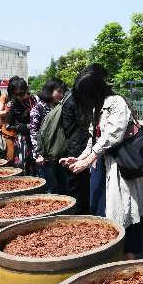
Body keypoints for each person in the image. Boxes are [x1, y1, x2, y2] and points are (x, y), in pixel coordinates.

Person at [60, 64, 143, 260]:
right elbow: (94, 141)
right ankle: (108, 259)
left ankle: (128, 263)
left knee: (125, 214)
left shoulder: (116, 103)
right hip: (100, 168)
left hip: (119, 168)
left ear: (95, 90)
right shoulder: (96, 108)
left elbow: (112, 136)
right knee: (101, 212)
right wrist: (80, 158)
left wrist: (89, 159)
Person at [29, 78, 68, 193]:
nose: (61, 95)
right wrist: (38, 154)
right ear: (49, 90)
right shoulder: (38, 109)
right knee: (49, 188)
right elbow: (34, 132)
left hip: (60, 154)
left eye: (63, 92)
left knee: (62, 187)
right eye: (59, 91)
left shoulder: (61, 107)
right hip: (44, 155)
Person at [60, 81, 91, 214]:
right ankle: (79, 212)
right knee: (79, 182)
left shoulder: (68, 98)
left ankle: (77, 208)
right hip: (78, 144)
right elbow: (84, 122)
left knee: (77, 182)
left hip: (73, 143)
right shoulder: (76, 100)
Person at [3, 76, 36, 172]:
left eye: (21, 94)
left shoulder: (33, 100)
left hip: (35, 137)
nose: (18, 97)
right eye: (15, 95)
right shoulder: (12, 105)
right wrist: (25, 127)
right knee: (22, 167)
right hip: (22, 140)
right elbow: (8, 125)